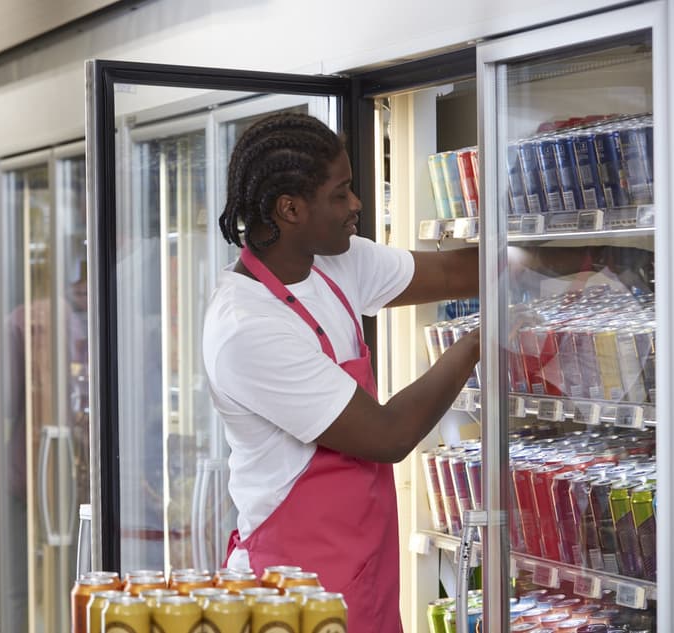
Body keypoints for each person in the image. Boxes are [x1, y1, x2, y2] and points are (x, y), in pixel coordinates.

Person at [203, 112, 485, 632]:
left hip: (364, 577)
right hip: (286, 601)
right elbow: (387, 435)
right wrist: (476, 342)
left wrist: (583, 253)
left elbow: (453, 272)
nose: (356, 205)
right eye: (342, 193)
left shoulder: (334, 263)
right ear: (290, 208)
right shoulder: (248, 326)